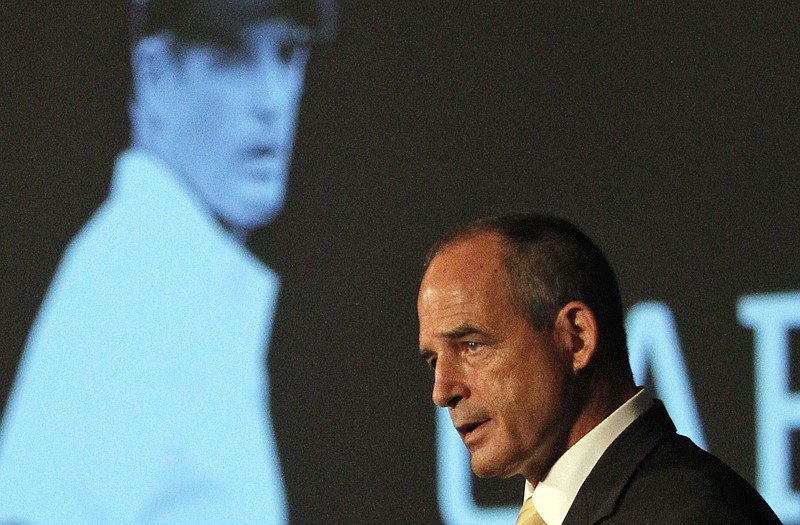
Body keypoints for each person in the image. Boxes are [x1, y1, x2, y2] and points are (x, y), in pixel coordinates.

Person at [0, 1, 335, 523]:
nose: (273, 99)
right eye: (231, 59)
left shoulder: (173, 275)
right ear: (154, 76)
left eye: (288, 53)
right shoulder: (130, 283)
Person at [417, 213, 781, 525]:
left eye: (471, 345)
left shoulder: (694, 516)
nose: (442, 390)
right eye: (434, 360)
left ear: (576, 338)